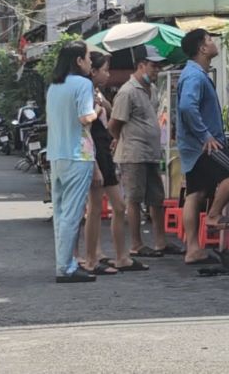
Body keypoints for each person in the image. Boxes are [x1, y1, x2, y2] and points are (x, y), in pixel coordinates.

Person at [176, 29, 229, 265]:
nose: (213, 42)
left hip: (191, 147)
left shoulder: (192, 73)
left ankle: (193, 249)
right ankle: (215, 216)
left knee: (195, 193)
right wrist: (205, 135)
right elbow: (187, 107)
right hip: (203, 145)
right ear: (202, 49)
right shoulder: (195, 76)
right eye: (209, 40)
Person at [80, 52, 148, 274]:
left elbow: (108, 113)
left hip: (103, 151)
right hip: (95, 152)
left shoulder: (95, 93)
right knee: (96, 207)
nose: (108, 74)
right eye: (105, 70)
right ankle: (94, 256)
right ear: (93, 71)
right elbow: (87, 126)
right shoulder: (85, 94)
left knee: (117, 206)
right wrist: (94, 163)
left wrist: (103, 104)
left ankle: (120, 256)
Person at [109, 45, 180, 258]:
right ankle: (136, 244)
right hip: (133, 154)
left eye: (158, 67)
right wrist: (122, 139)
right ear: (141, 66)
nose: (156, 70)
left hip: (150, 153)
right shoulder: (127, 92)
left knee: (156, 198)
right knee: (134, 198)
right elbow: (114, 124)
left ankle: (160, 241)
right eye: (153, 66)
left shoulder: (152, 90)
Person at [46, 41, 98, 283]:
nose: (90, 62)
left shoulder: (54, 87)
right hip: (78, 155)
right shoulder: (84, 84)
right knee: (72, 214)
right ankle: (65, 268)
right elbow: (85, 117)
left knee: (60, 213)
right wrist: (97, 109)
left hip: (56, 154)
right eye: (88, 58)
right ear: (78, 60)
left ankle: (63, 262)